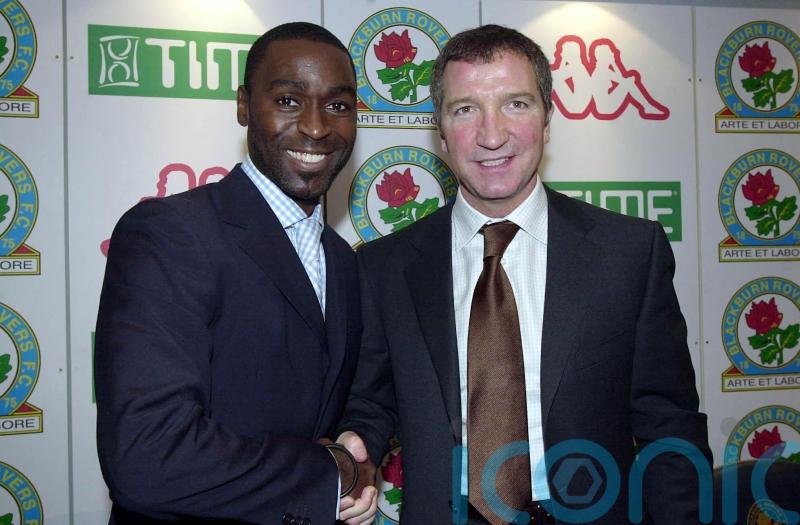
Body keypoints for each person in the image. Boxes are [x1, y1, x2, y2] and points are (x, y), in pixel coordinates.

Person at [337, 24, 711, 525]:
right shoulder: (384, 266)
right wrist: (354, 445)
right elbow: (371, 400)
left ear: (548, 119)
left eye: (516, 104)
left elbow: (671, 427)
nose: (492, 135)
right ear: (441, 133)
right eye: (465, 109)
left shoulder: (628, 253)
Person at [95, 22, 377, 525]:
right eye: (289, 101)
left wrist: (356, 442)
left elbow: (338, 401)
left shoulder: (342, 259)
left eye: (338, 105)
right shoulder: (170, 235)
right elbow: (147, 456)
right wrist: (326, 473)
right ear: (245, 106)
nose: (316, 127)